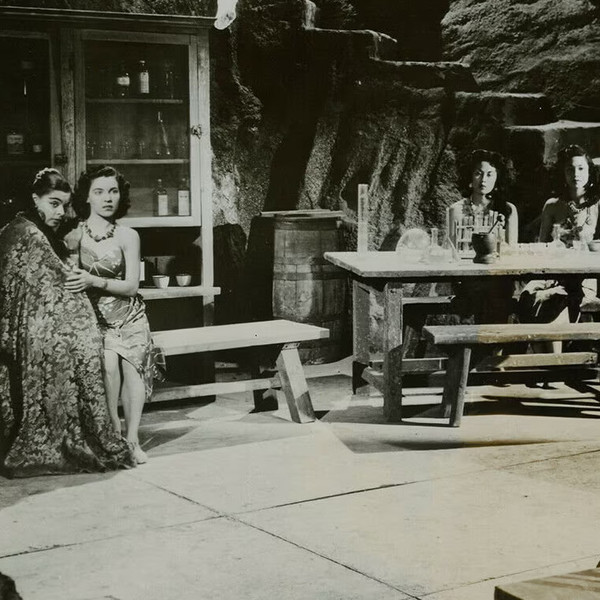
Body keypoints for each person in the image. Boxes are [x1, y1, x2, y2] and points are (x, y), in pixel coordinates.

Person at [0, 168, 134, 477]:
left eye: (65, 205)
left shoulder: (34, 229)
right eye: (54, 203)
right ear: (35, 199)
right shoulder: (27, 233)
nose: (61, 212)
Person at [65, 165, 164, 465]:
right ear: (87, 197)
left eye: (113, 191)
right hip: (94, 319)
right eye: (99, 192)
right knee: (108, 363)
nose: (108, 198)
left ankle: (132, 440)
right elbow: (71, 282)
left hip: (130, 316)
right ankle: (112, 436)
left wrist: (93, 280)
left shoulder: (128, 236)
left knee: (134, 366)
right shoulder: (74, 235)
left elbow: (132, 286)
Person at [518, 145, 600, 346]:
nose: (576, 174)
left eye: (581, 168)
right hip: (552, 273)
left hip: (584, 276)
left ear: (589, 171)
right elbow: (542, 247)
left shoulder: (597, 205)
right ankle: (546, 361)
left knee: (558, 299)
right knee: (528, 295)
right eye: (570, 169)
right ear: (562, 173)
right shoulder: (552, 205)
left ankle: (554, 362)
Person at [449, 150, 519, 324]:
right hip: (467, 279)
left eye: (490, 174)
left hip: (499, 278)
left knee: (496, 295)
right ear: (470, 176)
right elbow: (451, 251)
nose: (484, 180)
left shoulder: (508, 209)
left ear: (497, 177)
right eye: (478, 173)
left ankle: (494, 339)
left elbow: (512, 252)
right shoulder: (456, 210)